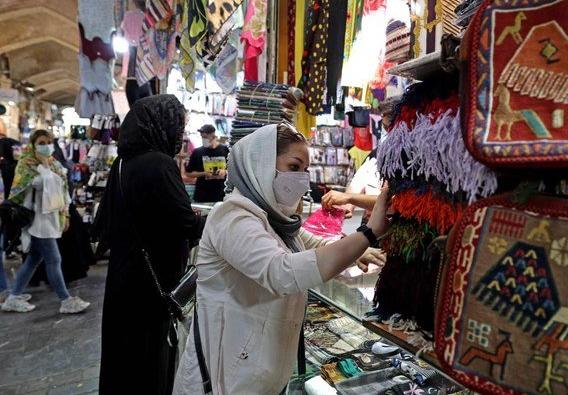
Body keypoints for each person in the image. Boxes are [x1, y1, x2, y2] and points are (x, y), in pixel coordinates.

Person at [173, 123, 391, 394]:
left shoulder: (277, 222)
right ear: (261, 165)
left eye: (305, 170)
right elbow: (283, 272)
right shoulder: (232, 217)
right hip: (223, 377)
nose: (301, 178)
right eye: (293, 167)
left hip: (262, 374)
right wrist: (367, 235)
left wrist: (358, 251)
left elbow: (314, 247)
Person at [96, 95, 205, 395]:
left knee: (124, 357)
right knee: (151, 358)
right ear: (162, 124)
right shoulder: (158, 163)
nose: (180, 135)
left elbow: (108, 222)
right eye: (178, 126)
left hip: (124, 277)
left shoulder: (123, 163)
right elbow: (185, 223)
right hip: (153, 281)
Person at [0, 129, 90, 314]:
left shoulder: (55, 164)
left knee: (34, 259)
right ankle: (66, 300)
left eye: (49, 142)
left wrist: (65, 214)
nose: (46, 146)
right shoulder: (26, 165)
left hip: (51, 218)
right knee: (54, 259)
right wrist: (43, 168)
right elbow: (28, 187)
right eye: (41, 143)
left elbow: (63, 190)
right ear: (33, 144)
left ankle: (13, 296)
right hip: (36, 220)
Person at [185, 124, 230, 203]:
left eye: (205, 137)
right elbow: (188, 173)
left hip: (221, 194)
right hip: (202, 195)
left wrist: (225, 171)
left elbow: (233, 169)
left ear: (213, 136)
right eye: (202, 137)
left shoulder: (225, 150)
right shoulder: (197, 152)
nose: (203, 139)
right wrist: (204, 173)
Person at [0, 120, 20, 200]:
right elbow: (19, 158)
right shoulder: (15, 142)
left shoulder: (6, 142)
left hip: (6, 173)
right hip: (14, 175)